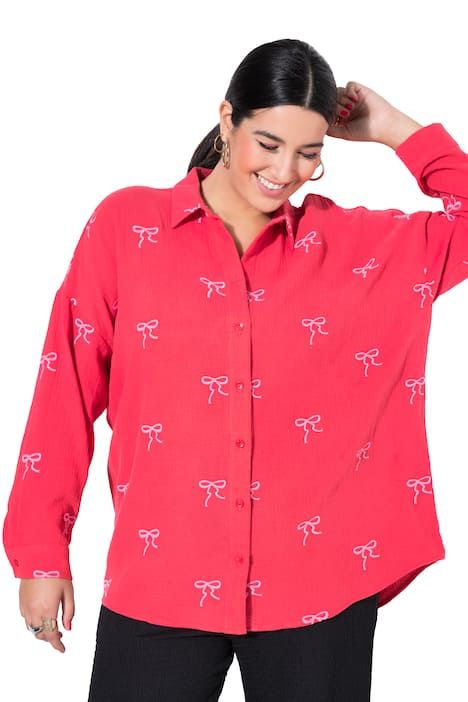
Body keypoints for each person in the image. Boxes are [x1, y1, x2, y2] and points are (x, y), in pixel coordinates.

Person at [3, 38, 467, 701]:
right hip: (159, 582)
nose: (285, 170)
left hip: (318, 594)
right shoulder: (127, 229)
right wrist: (41, 553)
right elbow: (65, 388)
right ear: (228, 119)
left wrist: (395, 129)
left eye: (309, 153)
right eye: (268, 144)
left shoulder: (358, 247)